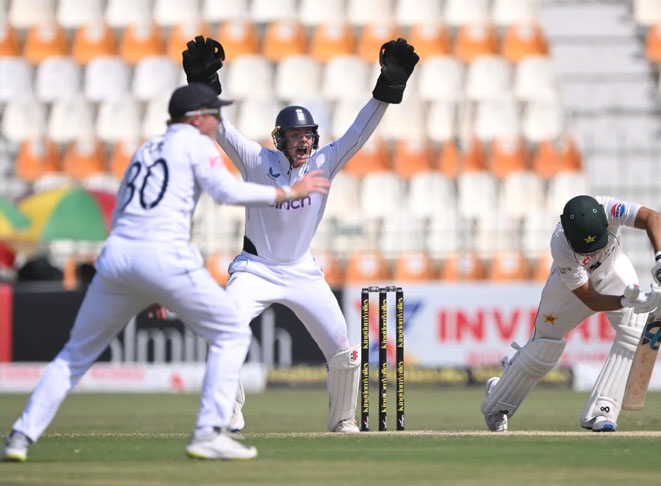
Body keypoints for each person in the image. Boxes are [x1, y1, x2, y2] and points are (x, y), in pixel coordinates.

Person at [1, 83, 330, 462]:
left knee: (74, 355)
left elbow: (125, 211)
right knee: (232, 332)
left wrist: (149, 287)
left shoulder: (145, 150)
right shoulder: (194, 143)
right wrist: (288, 193)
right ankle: (209, 432)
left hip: (118, 256)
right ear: (195, 119)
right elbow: (227, 193)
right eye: (213, 113)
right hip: (163, 254)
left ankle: (20, 437)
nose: (217, 121)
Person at [181, 35, 419, 432]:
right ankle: (229, 409)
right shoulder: (257, 161)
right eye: (296, 136)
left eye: (308, 135)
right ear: (281, 140)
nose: (304, 142)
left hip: (302, 271)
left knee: (344, 353)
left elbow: (360, 130)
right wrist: (201, 86)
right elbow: (219, 129)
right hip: (254, 270)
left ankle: (343, 419)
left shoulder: (325, 161)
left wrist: (387, 88)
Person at [481, 195, 661, 432]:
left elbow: (654, 218)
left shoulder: (610, 208)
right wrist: (625, 301)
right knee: (541, 351)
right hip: (572, 290)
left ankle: (603, 410)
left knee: (636, 330)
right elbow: (591, 299)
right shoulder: (560, 245)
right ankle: (498, 402)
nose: (595, 249)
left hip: (613, 271)